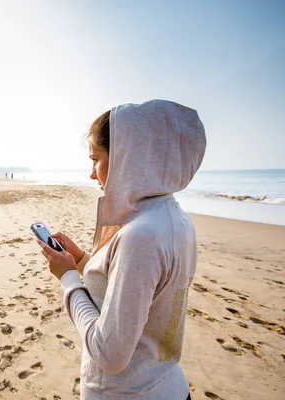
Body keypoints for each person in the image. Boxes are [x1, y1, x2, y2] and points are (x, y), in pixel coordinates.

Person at [37, 99, 205, 400]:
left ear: (129, 157)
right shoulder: (177, 220)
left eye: (95, 158)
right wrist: (81, 261)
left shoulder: (140, 236)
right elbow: (142, 293)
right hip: (170, 387)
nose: (91, 173)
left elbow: (109, 354)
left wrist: (68, 280)